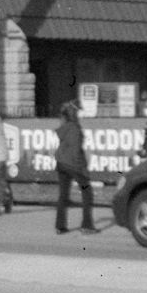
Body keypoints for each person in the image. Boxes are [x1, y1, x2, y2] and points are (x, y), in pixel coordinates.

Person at [55, 100, 96, 235]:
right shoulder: (75, 129)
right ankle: (87, 225)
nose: (80, 114)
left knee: (63, 195)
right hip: (73, 164)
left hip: (61, 163)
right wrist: (83, 170)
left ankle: (60, 226)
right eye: (78, 111)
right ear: (74, 113)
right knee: (87, 193)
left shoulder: (64, 126)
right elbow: (75, 151)